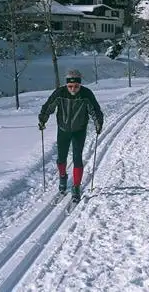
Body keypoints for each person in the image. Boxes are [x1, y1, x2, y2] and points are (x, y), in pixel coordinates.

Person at [39, 69, 103, 202]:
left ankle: (76, 186)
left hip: (79, 130)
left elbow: (95, 110)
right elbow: (48, 106)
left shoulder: (86, 94)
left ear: (80, 85)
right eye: (70, 86)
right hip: (63, 129)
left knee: (77, 157)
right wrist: (42, 119)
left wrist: (98, 123)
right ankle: (63, 177)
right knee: (61, 157)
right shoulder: (60, 93)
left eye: (76, 86)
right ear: (66, 85)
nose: (73, 89)